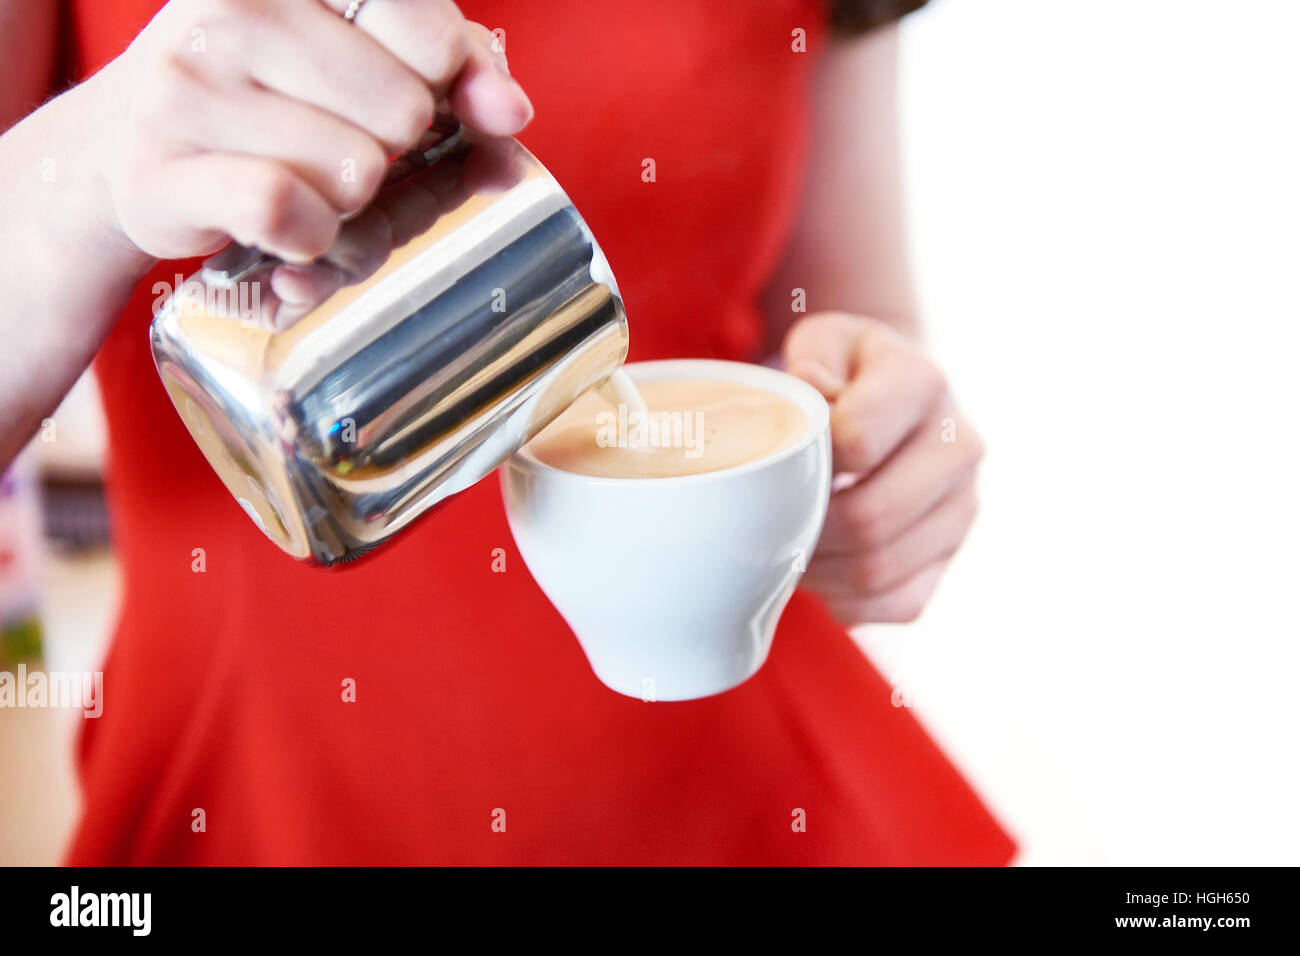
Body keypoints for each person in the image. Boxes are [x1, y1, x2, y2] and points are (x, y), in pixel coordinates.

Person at [0, 0, 1012, 864]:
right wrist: (79, 177)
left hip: (753, 783)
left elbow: (843, 319)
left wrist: (884, 442)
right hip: (258, 791)